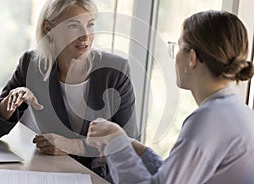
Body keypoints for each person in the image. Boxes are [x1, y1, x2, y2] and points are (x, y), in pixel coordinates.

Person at [0, 0, 137, 181]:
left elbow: (128, 142)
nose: (85, 35)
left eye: (90, 24)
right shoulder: (33, 64)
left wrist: (73, 146)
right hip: (50, 173)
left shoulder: (116, 70)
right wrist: (10, 102)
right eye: (73, 25)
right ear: (49, 28)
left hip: (100, 178)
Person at [86, 10, 254, 184]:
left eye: (179, 47)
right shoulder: (239, 112)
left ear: (192, 58)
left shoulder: (209, 119)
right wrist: (138, 150)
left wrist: (115, 143)